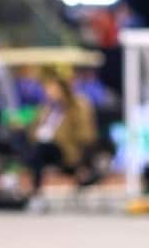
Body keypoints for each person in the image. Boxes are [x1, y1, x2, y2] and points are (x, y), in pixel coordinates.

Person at [23, 69, 97, 199]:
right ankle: (26, 180)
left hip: (66, 149)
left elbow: (86, 135)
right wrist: (41, 120)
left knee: (41, 149)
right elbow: (33, 131)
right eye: (47, 89)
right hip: (44, 145)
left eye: (52, 89)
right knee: (24, 141)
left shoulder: (76, 107)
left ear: (62, 89)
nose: (49, 92)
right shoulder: (46, 107)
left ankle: (35, 190)